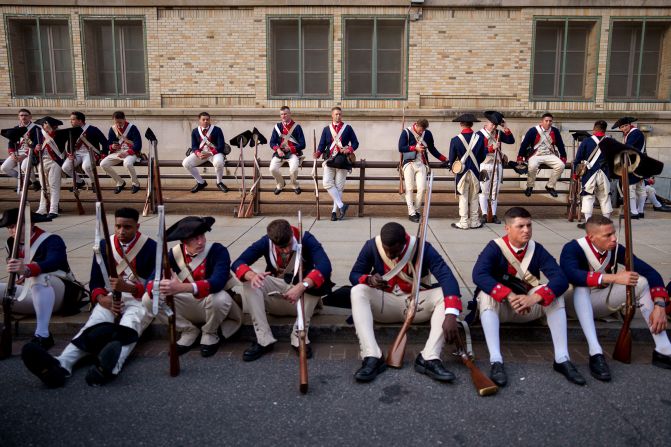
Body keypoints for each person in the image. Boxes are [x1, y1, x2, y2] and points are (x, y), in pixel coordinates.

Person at [21, 208, 156, 387]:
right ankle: (62, 364)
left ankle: (108, 367)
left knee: (130, 326)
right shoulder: (103, 246)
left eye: (127, 227)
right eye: (118, 226)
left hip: (139, 298)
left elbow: (154, 283)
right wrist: (101, 299)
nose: (121, 231)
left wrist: (130, 288)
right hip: (109, 298)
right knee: (93, 326)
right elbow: (95, 282)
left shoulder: (152, 246)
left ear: (137, 226)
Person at [472, 207, 585, 386]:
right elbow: (479, 275)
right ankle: (496, 360)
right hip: (501, 308)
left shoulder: (536, 249)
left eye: (529, 225)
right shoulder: (495, 248)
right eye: (521, 226)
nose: (526, 230)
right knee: (486, 294)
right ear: (507, 229)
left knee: (555, 294)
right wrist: (508, 294)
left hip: (528, 307)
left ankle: (562, 358)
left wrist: (534, 298)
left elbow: (560, 278)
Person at [348, 222, 461, 383]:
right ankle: (372, 355)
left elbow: (446, 277)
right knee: (357, 290)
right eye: (386, 250)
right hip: (384, 304)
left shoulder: (423, 248)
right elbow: (354, 274)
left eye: (393, 251)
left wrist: (451, 314)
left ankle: (429, 357)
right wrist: (369, 279)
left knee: (445, 295)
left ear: (404, 242)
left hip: (416, 304)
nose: (389, 255)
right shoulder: (372, 246)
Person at [560, 216, 671, 378]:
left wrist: (660, 305)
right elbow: (572, 275)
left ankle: (664, 349)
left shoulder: (616, 249)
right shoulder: (573, 248)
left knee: (642, 281)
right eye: (607, 235)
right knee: (581, 288)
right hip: (574, 304)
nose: (614, 239)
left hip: (600, 301)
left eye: (613, 233)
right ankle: (595, 352)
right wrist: (613, 278)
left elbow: (651, 272)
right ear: (591, 237)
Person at [232, 219, 332, 361]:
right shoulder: (266, 241)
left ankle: (299, 336)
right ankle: (264, 339)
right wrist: (252, 275)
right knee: (250, 280)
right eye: (281, 247)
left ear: (292, 233)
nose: (285, 250)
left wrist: (301, 286)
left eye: (288, 245)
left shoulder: (306, 239)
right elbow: (238, 263)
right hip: (278, 298)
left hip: (302, 301)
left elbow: (325, 266)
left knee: (318, 280)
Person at [142, 216, 242, 357]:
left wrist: (180, 287)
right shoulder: (173, 255)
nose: (201, 241)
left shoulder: (217, 251)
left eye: (202, 236)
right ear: (184, 241)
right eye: (195, 238)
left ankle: (210, 332)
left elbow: (218, 282)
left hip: (210, 303)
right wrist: (160, 285)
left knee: (221, 298)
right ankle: (188, 330)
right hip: (186, 304)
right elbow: (150, 281)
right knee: (148, 299)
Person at [0, 208, 70, 349]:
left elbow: (54, 261)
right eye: (10, 227)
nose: (13, 231)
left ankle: (43, 335)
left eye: (16, 226)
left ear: (31, 224)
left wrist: (28, 270)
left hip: (57, 293)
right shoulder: (10, 243)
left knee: (39, 277)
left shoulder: (51, 240)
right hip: (30, 295)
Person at [398, 118, 448, 222]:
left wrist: (444, 159)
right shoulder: (406, 132)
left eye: (423, 130)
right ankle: (411, 212)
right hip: (409, 163)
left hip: (422, 163)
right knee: (410, 188)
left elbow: (432, 149)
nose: (421, 132)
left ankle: (416, 210)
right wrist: (414, 148)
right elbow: (401, 148)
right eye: (420, 130)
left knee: (422, 188)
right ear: (416, 125)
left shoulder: (427, 134)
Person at [316, 106, 359, 221]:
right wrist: (318, 152)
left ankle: (334, 212)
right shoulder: (326, 129)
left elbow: (355, 143)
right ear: (332, 115)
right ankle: (341, 205)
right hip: (329, 160)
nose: (338, 116)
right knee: (326, 183)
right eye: (336, 114)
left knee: (339, 187)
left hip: (342, 160)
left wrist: (349, 149)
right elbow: (321, 144)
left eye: (340, 114)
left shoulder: (347, 128)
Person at [448, 113, 487, 229]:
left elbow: (451, 159)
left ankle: (464, 222)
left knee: (463, 197)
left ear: (461, 125)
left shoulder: (455, 140)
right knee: (474, 197)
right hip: (475, 171)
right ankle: (475, 222)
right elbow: (482, 157)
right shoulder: (480, 139)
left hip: (462, 173)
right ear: (471, 124)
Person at [517, 112, 567, 197]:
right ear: (542, 121)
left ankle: (550, 186)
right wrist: (520, 156)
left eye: (550, 121)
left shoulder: (555, 131)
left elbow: (560, 144)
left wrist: (563, 156)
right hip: (536, 154)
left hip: (549, 154)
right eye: (546, 121)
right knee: (532, 166)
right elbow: (524, 144)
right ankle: (530, 186)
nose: (548, 123)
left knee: (561, 165)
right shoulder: (533, 130)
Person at [478, 111, 515, 224]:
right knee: (484, 191)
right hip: (484, 164)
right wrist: (490, 148)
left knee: (495, 191)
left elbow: (511, 140)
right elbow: (477, 152)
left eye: (496, 124)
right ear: (487, 122)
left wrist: (505, 127)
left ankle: (493, 215)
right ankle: (484, 213)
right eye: (492, 123)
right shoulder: (479, 135)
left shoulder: (498, 133)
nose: (493, 126)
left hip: (497, 164)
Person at [574, 120, 612, 228]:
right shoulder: (610, 141)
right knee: (605, 197)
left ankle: (588, 222)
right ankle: (607, 222)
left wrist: (575, 174)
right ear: (605, 129)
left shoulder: (586, 141)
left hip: (590, 173)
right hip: (605, 173)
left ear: (594, 129)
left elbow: (578, 159)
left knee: (588, 197)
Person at [182, 112, 228, 194]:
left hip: (214, 153)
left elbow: (221, 146)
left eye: (207, 119)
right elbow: (194, 146)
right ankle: (201, 182)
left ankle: (219, 182)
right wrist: (198, 153)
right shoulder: (195, 131)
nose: (206, 121)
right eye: (203, 119)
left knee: (219, 162)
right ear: (199, 120)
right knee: (186, 163)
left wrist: (210, 153)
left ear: (209, 120)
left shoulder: (217, 130)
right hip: (201, 153)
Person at [61, 111, 108, 190]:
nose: (71, 121)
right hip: (77, 154)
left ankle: (94, 182)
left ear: (80, 120)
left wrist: (104, 153)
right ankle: (79, 181)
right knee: (65, 167)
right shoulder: (72, 131)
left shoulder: (93, 129)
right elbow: (69, 145)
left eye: (73, 119)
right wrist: (70, 153)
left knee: (85, 167)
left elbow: (104, 142)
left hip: (90, 153)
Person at [613, 116, 646, 219]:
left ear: (630, 125)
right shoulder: (632, 133)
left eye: (625, 126)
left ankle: (634, 212)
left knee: (630, 188)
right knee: (640, 188)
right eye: (621, 127)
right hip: (638, 163)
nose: (624, 129)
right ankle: (640, 211)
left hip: (633, 164)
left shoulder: (634, 133)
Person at [101, 111, 142, 194]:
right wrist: (112, 147)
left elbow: (138, 144)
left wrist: (127, 153)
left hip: (131, 153)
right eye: (116, 122)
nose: (118, 124)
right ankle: (120, 182)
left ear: (124, 119)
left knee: (127, 163)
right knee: (103, 164)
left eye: (120, 122)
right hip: (118, 153)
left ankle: (135, 184)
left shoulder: (132, 128)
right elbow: (109, 143)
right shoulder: (113, 129)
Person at [269, 106, 306, 195]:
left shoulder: (297, 127)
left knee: (293, 170)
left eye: (285, 114)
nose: (283, 116)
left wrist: (291, 148)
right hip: (280, 153)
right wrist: (277, 150)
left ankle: (294, 185)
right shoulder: (277, 127)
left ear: (289, 114)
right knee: (272, 169)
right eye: (282, 114)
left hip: (293, 153)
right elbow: (272, 142)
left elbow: (303, 144)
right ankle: (280, 184)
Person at [0, 109, 39, 190]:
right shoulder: (16, 128)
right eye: (21, 115)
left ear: (30, 117)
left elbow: (35, 144)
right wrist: (12, 153)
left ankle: (35, 182)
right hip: (17, 152)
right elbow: (11, 142)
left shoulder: (36, 128)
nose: (23, 117)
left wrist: (24, 155)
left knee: (24, 166)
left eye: (26, 115)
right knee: (4, 167)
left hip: (30, 153)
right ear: (18, 117)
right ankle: (25, 180)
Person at [34, 116, 65, 218]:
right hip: (42, 161)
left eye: (46, 124)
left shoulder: (59, 134)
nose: (44, 126)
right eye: (43, 124)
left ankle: (53, 210)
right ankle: (42, 208)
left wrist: (51, 131)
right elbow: (34, 147)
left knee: (54, 186)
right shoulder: (39, 133)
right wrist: (36, 148)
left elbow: (60, 147)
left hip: (54, 161)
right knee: (43, 186)